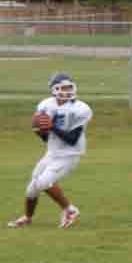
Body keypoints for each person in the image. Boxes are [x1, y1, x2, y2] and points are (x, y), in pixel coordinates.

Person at [8, 73, 91, 229]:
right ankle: (27, 217)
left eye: (69, 87)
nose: (66, 91)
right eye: (63, 88)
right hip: (52, 152)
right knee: (32, 188)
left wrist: (52, 127)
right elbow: (46, 137)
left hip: (69, 154)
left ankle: (70, 210)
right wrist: (41, 131)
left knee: (44, 182)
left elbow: (73, 139)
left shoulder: (81, 109)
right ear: (54, 89)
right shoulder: (46, 105)